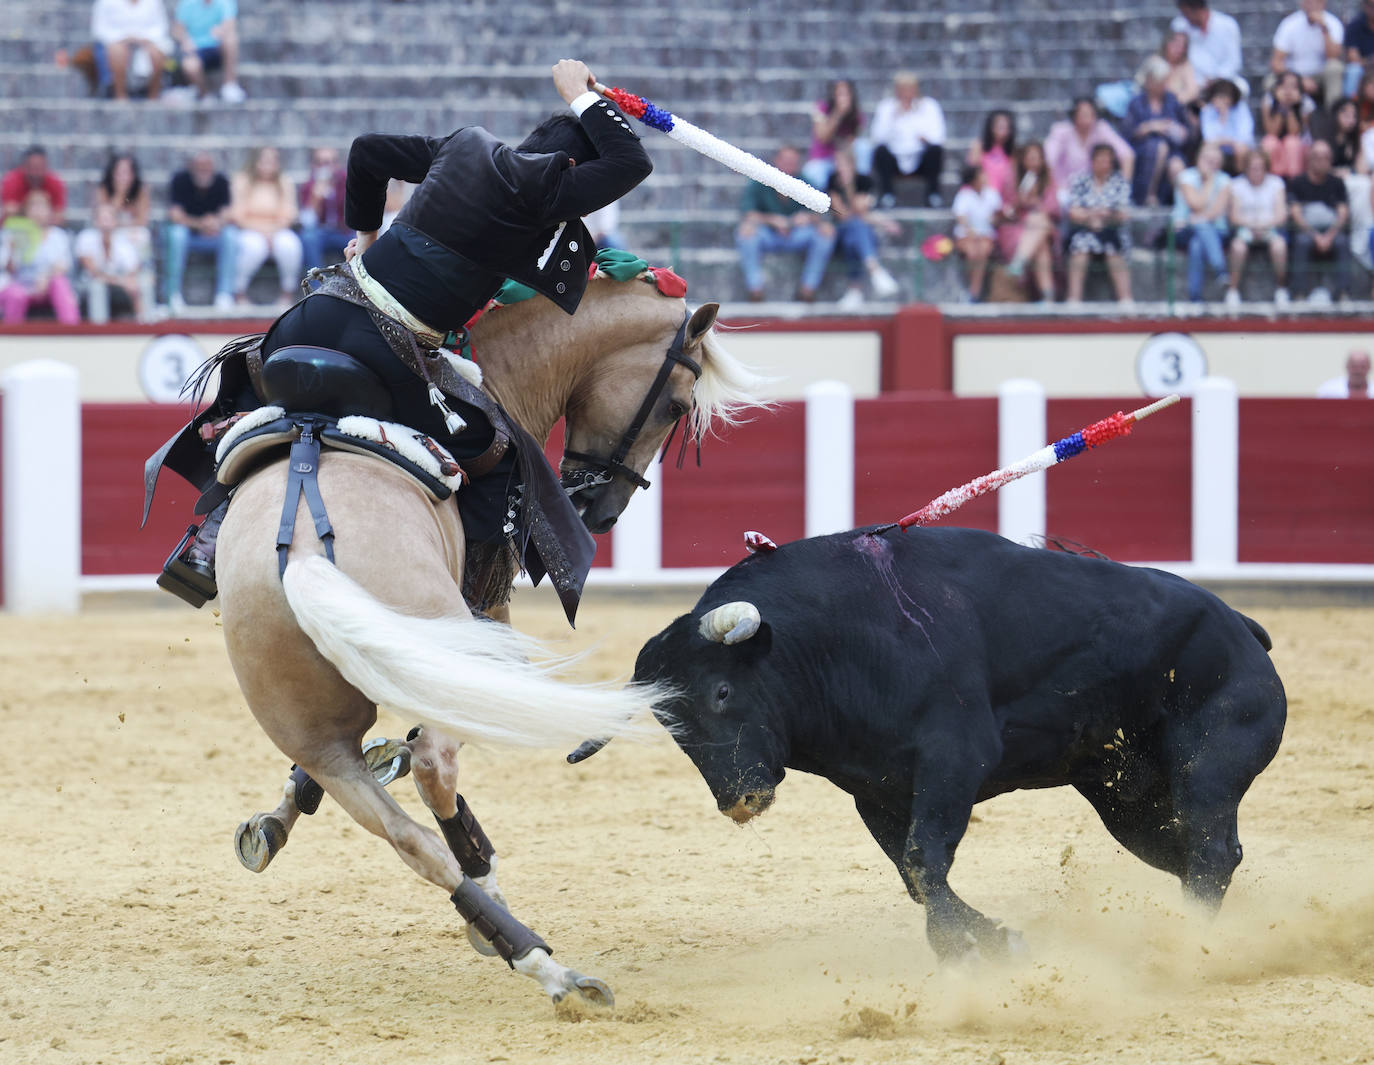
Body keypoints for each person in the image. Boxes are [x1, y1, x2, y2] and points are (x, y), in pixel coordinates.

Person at [160, 59, 655, 603]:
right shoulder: (547, 188)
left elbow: (367, 150)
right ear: (570, 166)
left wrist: (368, 234)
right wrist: (581, 96)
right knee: (497, 450)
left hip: (311, 317)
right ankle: (469, 591)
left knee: (258, 405)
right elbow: (631, 161)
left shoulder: (465, 145)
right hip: (387, 351)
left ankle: (207, 538)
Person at [735, 145, 836, 301]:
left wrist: (807, 218)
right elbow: (748, 213)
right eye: (786, 161)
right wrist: (772, 220)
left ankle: (808, 288)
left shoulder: (806, 182)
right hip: (768, 234)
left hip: (797, 234)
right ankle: (755, 288)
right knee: (745, 232)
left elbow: (822, 212)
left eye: (793, 162)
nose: (789, 166)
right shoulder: (760, 181)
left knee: (826, 233)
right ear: (777, 161)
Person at [229, 146, 303, 309]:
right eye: (264, 160)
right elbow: (238, 215)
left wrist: (272, 232)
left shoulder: (284, 181)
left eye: (273, 160)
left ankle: (287, 293)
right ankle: (239, 293)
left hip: (278, 229)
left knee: (290, 246)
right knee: (253, 248)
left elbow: (290, 212)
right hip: (249, 229)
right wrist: (264, 233)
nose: (269, 164)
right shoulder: (242, 180)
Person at [827, 149, 901, 308]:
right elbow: (842, 214)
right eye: (837, 164)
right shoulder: (832, 181)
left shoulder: (864, 181)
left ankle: (855, 291)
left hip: (854, 233)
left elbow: (862, 211)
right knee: (856, 226)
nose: (839, 168)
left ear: (852, 165)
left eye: (842, 164)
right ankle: (875, 270)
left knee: (854, 237)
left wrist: (850, 187)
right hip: (838, 230)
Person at [164, 150, 236, 312]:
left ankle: (225, 294)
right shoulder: (180, 180)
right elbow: (174, 215)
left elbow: (227, 213)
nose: (203, 170)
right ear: (192, 167)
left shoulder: (221, 181)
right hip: (190, 235)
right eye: (200, 166)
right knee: (176, 234)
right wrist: (200, 224)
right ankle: (173, 294)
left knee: (231, 236)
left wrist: (216, 223)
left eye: (207, 166)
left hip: (212, 236)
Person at [1064, 144, 1134, 304]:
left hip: (1111, 230)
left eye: (1107, 160)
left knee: (1113, 247)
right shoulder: (1080, 180)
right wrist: (1092, 217)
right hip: (1085, 230)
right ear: (1092, 161)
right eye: (1099, 159)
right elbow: (1073, 211)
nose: (1103, 163)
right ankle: (1073, 299)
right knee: (1080, 246)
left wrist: (1105, 217)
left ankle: (1126, 299)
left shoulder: (1120, 182)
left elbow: (1123, 214)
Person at [0, 191, 79, 324]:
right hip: (21, 286)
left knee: (59, 283)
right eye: (33, 207)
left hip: (47, 286)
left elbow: (63, 265)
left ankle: (72, 331)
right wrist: (12, 251)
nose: (38, 211)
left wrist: (46, 278)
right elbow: (9, 270)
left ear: (49, 211)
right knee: (15, 294)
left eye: (42, 207)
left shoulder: (58, 236)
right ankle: (11, 339)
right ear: (26, 211)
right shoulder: (14, 233)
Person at [869, 72, 947, 207]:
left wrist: (924, 137)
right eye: (902, 89)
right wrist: (894, 117)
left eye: (910, 89)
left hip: (920, 156)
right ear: (896, 90)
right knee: (880, 152)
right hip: (894, 158)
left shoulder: (929, 106)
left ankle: (933, 195)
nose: (906, 93)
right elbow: (877, 137)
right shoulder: (886, 107)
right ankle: (887, 194)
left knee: (935, 151)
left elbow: (938, 137)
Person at [1288, 139, 1351, 302]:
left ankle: (1343, 293)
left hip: (1331, 232)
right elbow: (1296, 214)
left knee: (1342, 242)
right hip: (1307, 232)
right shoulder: (1297, 182)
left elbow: (1343, 213)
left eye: (1326, 157)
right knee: (1301, 242)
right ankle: (1299, 294)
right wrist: (1315, 236)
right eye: (1318, 156)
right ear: (1310, 158)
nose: (1322, 161)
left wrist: (1329, 236)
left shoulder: (1337, 183)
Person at [1226, 150, 1290, 308]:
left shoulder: (1276, 183)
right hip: (1246, 229)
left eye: (1259, 168)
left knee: (1279, 246)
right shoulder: (1237, 184)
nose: (1256, 171)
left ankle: (1281, 289)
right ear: (1246, 168)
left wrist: (1264, 226)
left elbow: (1281, 215)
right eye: (1252, 168)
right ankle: (1232, 291)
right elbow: (1234, 217)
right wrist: (1252, 226)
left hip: (1269, 228)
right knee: (1237, 247)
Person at [1124, 57, 1191, 205]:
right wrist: (1150, 127)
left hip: (1172, 147)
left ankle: (1180, 206)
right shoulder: (1137, 103)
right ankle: (1148, 195)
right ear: (1149, 81)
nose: (1163, 85)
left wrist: (1179, 130)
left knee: (1177, 165)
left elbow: (1186, 130)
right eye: (1159, 81)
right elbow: (1128, 133)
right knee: (1158, 148)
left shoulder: (1172, 101)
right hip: (1142, 149)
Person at [998, 140, 1059, 301]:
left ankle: (1019, 262)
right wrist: (1020, 200)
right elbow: (1007, 210)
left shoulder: (1048, 180)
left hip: (1043, 227)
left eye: (1037, 158)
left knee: (1038, 220)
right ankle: (1048, 295)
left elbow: (1054, 209)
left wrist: (1035, 202)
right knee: (1041, 247)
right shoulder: (1012, 178)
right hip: (1017, 228)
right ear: (1023, 159)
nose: (1033, 162)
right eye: (1030, 158)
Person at [76, 201, 154, 322]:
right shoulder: (86, 237)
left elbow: (132, 269)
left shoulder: (122, 241)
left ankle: (146, 324)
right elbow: (92, 271)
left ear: (115, 222)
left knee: (144, 283)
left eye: (109, 218)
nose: (105, 223)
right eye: (102, 218)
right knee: (97, 285)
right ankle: (99, 328)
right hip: (89, 282)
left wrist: (125, 281)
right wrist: (120, 281)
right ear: (96, 221)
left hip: (118, 283)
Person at [1173, 143, 1231, 303]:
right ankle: (1220, 270)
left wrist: (1199, 218)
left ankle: (1195, 299)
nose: (1211, 165)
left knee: (1197, 245)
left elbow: (1217, 211)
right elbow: (1196, 203)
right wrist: (1210, 181)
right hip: (1184, 230)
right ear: (1199, 158)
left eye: (1215, 162)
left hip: (1216, 231)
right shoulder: (1186, 177)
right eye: (1207, 160)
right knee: (1200, 227)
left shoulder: (1225, 180)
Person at [87, 0, 174, 100]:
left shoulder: (154, 2)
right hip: (117, 41)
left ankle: (153, 96)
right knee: (117, 52)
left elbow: (161, 27)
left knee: (157, 53)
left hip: (147, 41)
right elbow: (99, 29)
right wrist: (124, 38)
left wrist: (143, 39)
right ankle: (120, 96)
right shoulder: (105, 2)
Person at [1045, 97, 1135, 189]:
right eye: (1083, 113)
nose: (1087, 117)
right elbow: (1048, 159)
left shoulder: (1101, 128)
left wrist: (1124, 186)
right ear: (1074, 115)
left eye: (1090, 113)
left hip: (1094, 190)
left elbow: (1127, 154)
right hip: (1064, 188)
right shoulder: (1061, 131)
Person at [1272, 0, 1345, 107]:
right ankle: (1281, 118)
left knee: (1335, 68)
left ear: (1324, 3)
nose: (1313, 5)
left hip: (1320, 75)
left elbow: (1333, 57)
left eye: (1317, 2)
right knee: (1269, 82)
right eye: (1309, 1)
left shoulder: (1333, 23)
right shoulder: (1289, 24)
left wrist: (1324, 28)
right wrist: (1299, 79)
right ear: (1302, 3)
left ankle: (1334, 116)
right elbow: (1276, 62)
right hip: (1294, 74)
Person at [170, 0, 245, 103]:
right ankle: (204, 94)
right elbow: (177, 29)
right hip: (196, 49)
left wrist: (221, 30)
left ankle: (230, 85)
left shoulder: (225, 2)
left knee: (231, 39)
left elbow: (230, 25)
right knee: (190, 65)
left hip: (218, 47)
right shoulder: (187, 3)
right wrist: (185, 40)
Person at [951, 164, 1000, 302]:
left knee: (982, 251)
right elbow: (961, 218)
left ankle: (973, 293)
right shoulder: (964, 195)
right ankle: (972, 292)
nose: (985, 177)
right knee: (972, 252)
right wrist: (971, 232)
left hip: (986, 236)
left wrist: (996, 219)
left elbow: (998, 217)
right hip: (967, 236)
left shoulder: (992, 194)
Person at [803, 79, 863, 190]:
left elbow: (851, 143)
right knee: (812, 174)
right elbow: (823, 137)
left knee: (864, 147)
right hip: (823, 159)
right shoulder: (821, 108)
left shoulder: (856, 115)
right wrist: (838, 114)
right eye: (839, 94)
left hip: (844, 159)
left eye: (846, 94)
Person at [298, 146, 351, 271]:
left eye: (329, 162)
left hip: (344, 231)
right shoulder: (309, 185)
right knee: (308, 238)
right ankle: (317, 286)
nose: (326, 167)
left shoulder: (346, 181)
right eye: (320, 163)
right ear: (313, 165)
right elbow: (307, 223)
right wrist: (315, 199)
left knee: (361, 240)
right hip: (320, 232)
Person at [1173, 0, 1243, 89]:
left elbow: (1233, 62)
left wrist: (1217, 78)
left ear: (1198, 9)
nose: (1185, 17)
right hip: (1189, 84)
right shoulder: (1179, 25)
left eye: (1186, 13)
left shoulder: (1228, 25)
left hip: (1221, 83)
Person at [94, 151, 152, 255]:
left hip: (130, 231)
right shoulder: (104, 190)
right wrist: (119, 195)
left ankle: (140, 269)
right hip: (108, 231)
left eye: (127, 173)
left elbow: (142, 220)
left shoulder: (140, 191)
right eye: (119, 173)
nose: (123, 177)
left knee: (143, 236)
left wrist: (121, 224)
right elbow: (103, 216)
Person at [1262, 71, 1315, 179]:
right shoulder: (1269, 100)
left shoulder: (1306, 103)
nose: (1288, 91)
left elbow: (1294, 132)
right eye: (1284, 86)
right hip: (1276, 140)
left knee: (1292, 142)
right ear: (1277, 87)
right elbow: (1272, 131)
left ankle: (1294, 181)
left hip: (1299, 144)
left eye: (1293, 87)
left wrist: (1289, 107)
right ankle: (1272, 181)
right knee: (1270, 142)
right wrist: (1282, 106)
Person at [1199, 77, 1254, 173]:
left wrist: (1229, 142)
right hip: (1218, 144)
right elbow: (1208, 136)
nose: (1223, 100)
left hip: (1237, 145)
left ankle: (1240, 178)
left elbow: (1245, 135)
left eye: (1226, 96)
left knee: (1241, 149)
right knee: (1207, 148)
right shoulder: (1207, 110)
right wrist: (1222, 116)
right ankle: (1211, 181)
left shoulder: (1241, 109)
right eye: (1219, 96)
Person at [2, 147, 67, 223]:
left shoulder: (55, 183)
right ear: (24, 166)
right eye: (31, 167)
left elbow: (60, 216)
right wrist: (31, 208)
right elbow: (8, 212)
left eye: (39, 168)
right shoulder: (12, 181)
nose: (35, 173)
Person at [967, 110, 1017, 200]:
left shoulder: (1012, 151)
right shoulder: (979, 146)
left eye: (1006, 127)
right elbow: (973, 173)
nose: (1004, 130)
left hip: (1003, 197)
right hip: (981, 195)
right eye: (1000, 126)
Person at [1161, 30, 1202, 108]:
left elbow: (1192, 91)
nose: (1179, 50)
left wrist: (1173, 101)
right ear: (1167, 44)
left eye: (1182, 47)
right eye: (1176, 45)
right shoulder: (1155, 61)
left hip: (1178, 108)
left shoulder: (1186, 66)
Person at [1326, 97, 1365, 175]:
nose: (1351, 120)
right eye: (1346, 115)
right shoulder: (1325, 137)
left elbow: (1361, 168)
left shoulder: (1355, 140)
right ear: (1335, 114)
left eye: (1354, 116)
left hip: (1350, 179)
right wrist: (1335, 172)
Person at [1344, 0, 1374, 98]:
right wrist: (1369, 61)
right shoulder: (1355, 25)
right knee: (1354, 70)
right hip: (1363, 69)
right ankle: (1350, 105)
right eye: (1371, 5)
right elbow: (1353, 58)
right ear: (1364, 6)